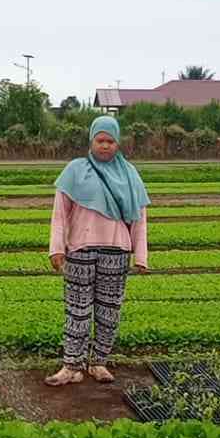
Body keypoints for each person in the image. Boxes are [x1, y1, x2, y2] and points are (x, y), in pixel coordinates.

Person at [45, 115, 150, 386]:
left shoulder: (130, 174)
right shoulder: (75, 170)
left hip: (117, 251)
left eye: (110, 141)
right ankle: (71, 366)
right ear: (91, 141)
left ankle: (98, 363)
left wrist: (140, 255)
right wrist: (57, 249)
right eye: (100, 140)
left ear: (118, 143)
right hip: (80, 250)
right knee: (77, 310)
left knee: (109, 311)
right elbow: (60, 215)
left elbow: (139, 218)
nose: (105, 146)